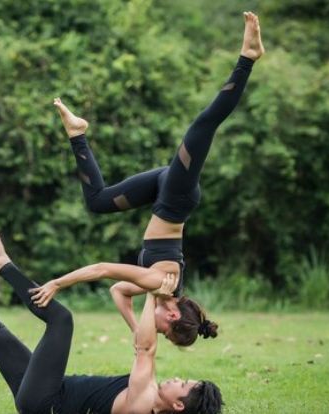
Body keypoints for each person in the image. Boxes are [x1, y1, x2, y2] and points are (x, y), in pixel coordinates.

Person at [30, 11, 265, 346]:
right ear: (172, 315)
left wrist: (135, 330)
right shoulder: (159, 281)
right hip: (175, 198)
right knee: (204, 125)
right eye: (161, 330)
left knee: (98, 201)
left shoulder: (157, 288)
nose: (153, 327)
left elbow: (117, 291)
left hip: (162, 194)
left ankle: (77, 132)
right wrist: (56, 284)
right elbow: (101, 269)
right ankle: (247, 58)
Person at [0, 224, 223, 414]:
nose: (176, 378)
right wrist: (144, 311)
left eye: (181, 384)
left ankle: (2, 264)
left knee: (61, 320)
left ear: (178, 404)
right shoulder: (149, 392)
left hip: (46, 401)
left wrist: (153, 290)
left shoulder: (144, 403)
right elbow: (138, 337)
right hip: (46, 395)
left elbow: (146, 349)